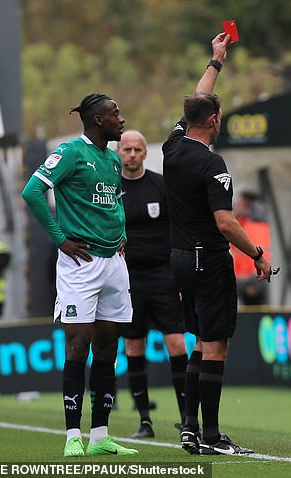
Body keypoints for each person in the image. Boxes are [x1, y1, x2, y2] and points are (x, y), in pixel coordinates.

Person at [162, 32, 273, 456]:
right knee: (218, 347)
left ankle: (189, 427)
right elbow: (225, 222)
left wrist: (216, 61)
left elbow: (198, 99)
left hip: (178, 260)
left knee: (200, 343)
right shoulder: (211, 162)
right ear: (214, 121)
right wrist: (258, 255)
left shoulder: (173, 148)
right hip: (207, 260)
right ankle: (211, 436)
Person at [22, 93, 138, 457]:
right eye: (115, 113)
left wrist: (121, 235)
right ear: (97, 119)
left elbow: (113, 201)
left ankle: (100, 435)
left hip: (113, 263)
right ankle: (73, 434)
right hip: (81, 264)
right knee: (78, 345)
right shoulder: (72, 152)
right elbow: (33, 191)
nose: (121, 118)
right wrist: (59, 238)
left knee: (107, 349)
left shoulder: (113, 159)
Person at [117, 129, 188, 439]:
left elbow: (178, 229)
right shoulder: (110, 189)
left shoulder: (161, 185)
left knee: (176, 343)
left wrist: (181, 274)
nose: (132, 154)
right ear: (119, 152)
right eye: (126, 149)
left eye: (137, 149)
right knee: (134, 346)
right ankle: (145, 422)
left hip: (163, 276)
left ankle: (189, 419)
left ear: (146, 153)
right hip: (127, 279)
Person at [230, 191, 272, 305]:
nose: (235, 207)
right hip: (241, 280)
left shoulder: (255, 226)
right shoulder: (242, 223)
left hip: (252, 282)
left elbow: (261, 253)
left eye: (238, 204)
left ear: (247, 205)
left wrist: (255, 283)